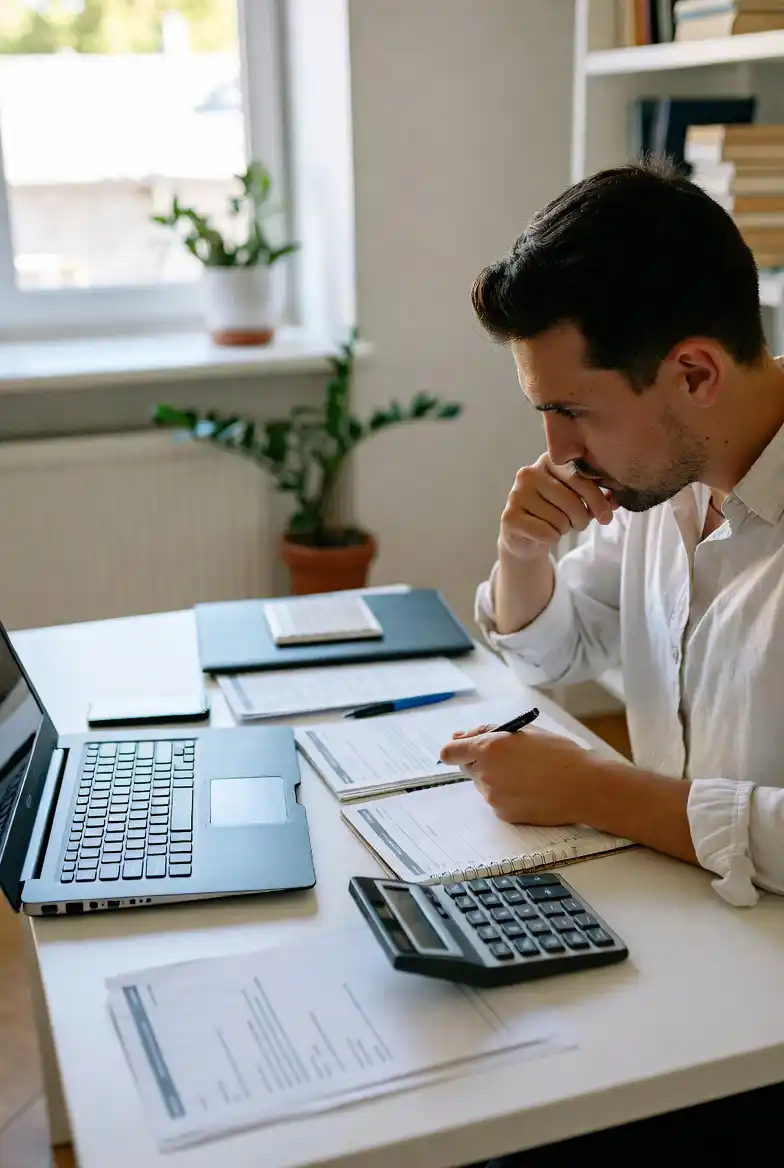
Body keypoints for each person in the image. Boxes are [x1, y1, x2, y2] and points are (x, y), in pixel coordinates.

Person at [440, 157, 784, 1164]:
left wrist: (600, 790)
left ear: (691, 373)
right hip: (691, 936)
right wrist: (519, 553)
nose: (555, 449)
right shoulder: (666, 485)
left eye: (573, 410)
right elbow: (550, 648)